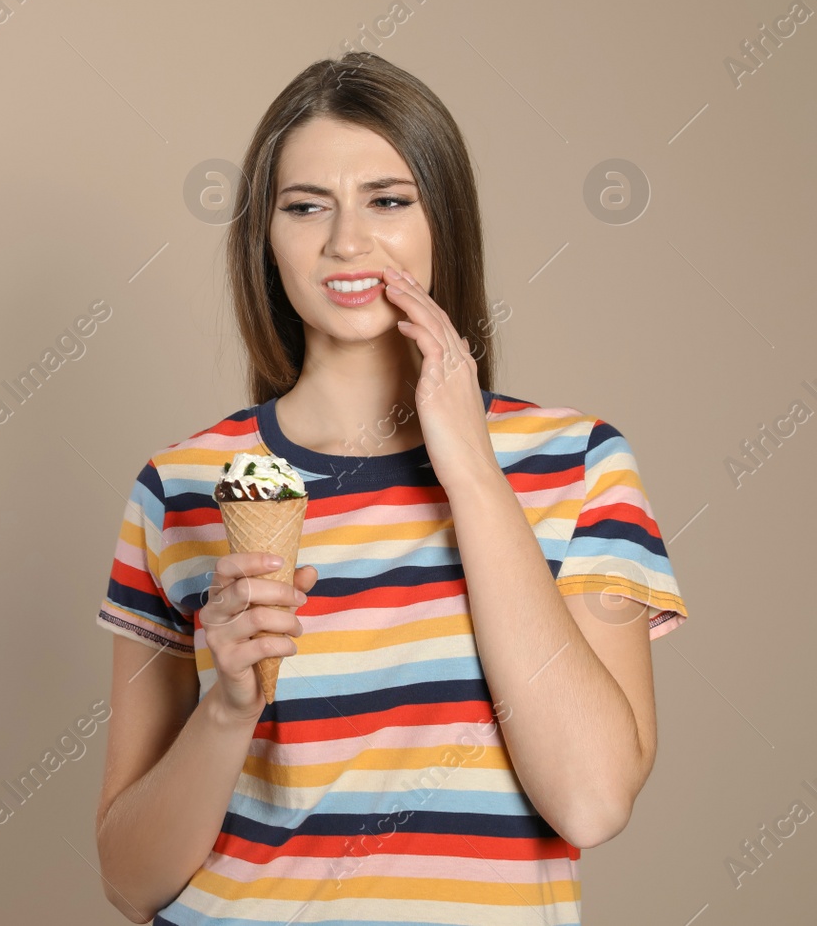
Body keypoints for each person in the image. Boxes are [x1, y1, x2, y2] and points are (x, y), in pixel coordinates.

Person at [92, 52, 687, 926]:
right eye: (305, 207)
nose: (346, 241)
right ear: (266, 237)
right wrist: (226, 708)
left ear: (442, 219)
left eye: (388, 199)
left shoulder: (578, 462)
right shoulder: (182, 487)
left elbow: (593, 799)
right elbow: (128, 878)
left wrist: (473, 468)